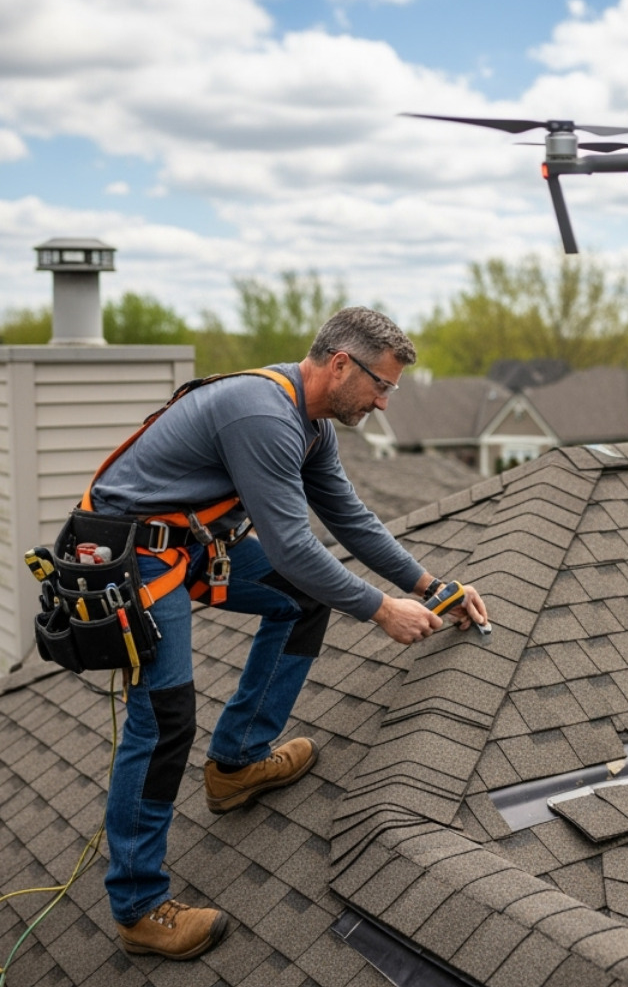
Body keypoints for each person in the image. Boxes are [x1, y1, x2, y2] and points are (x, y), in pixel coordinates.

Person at [87, 307, 488, 960]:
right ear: (338, 365)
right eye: (381, 386)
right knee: (163, 720)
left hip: (186, 547)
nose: (385, 403)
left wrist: (429, 587)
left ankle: (238, 763)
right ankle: (138, 908)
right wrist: (381, 610)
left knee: (302, 600)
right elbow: (295, 547)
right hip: (133, 557)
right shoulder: (263, 416)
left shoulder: (310, 424)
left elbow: (349, 519)